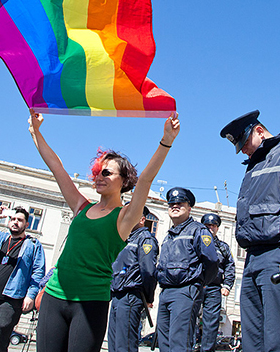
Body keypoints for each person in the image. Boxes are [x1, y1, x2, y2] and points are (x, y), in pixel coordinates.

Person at [28, 109, 180, 352]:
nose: (99, 176)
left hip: (91, 302)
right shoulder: (81, 206)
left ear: (124, 180)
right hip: (54, 297)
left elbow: (146, 181)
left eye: (107, 173)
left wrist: (166, 141)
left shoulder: (123, 218)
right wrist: (36, 132)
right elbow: (56, 167)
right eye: (97, 172)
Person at [220, 111, 280, 352]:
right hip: (252, 258)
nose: (242, 151)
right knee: (252, 339)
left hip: (278, 253)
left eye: (244, 143)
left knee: (278, 337)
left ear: (259, 131)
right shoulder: (253, 165)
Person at [0, 205, 45, 352]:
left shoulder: (33, 245)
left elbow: (38, 273)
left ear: (27, 224)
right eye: (12, 219)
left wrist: (30, 296)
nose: (15, 222)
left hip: (8, 302)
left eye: (20, 220)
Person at [155, 187, 219, 352]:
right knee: (164, 343)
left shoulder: (198, 230)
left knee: (179, 343)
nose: (175, 206)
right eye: (171, 204)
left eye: (180, 203)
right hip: (166, 291)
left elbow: (211, 261)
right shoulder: (168, 235)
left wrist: (200, 282)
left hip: (186, 291)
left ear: (189, 208)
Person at [107, 206, 159, 352]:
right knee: (114, 343)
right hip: (117, 295)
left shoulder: (145, 239)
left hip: (131, 295)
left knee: (125, 345)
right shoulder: (124, 238)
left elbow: (148, 271)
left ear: (142, 219)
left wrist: (149, 297)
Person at [198, 213, 235, 352]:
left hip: (214, 288)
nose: (210, 228)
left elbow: (230, 266)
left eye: (213, 225)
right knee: (188, 318)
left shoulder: (223, 247)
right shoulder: (194, 242)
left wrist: (227, 285)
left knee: (211, 323)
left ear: (217, 228)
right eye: (207, 225)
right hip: (196, 286)